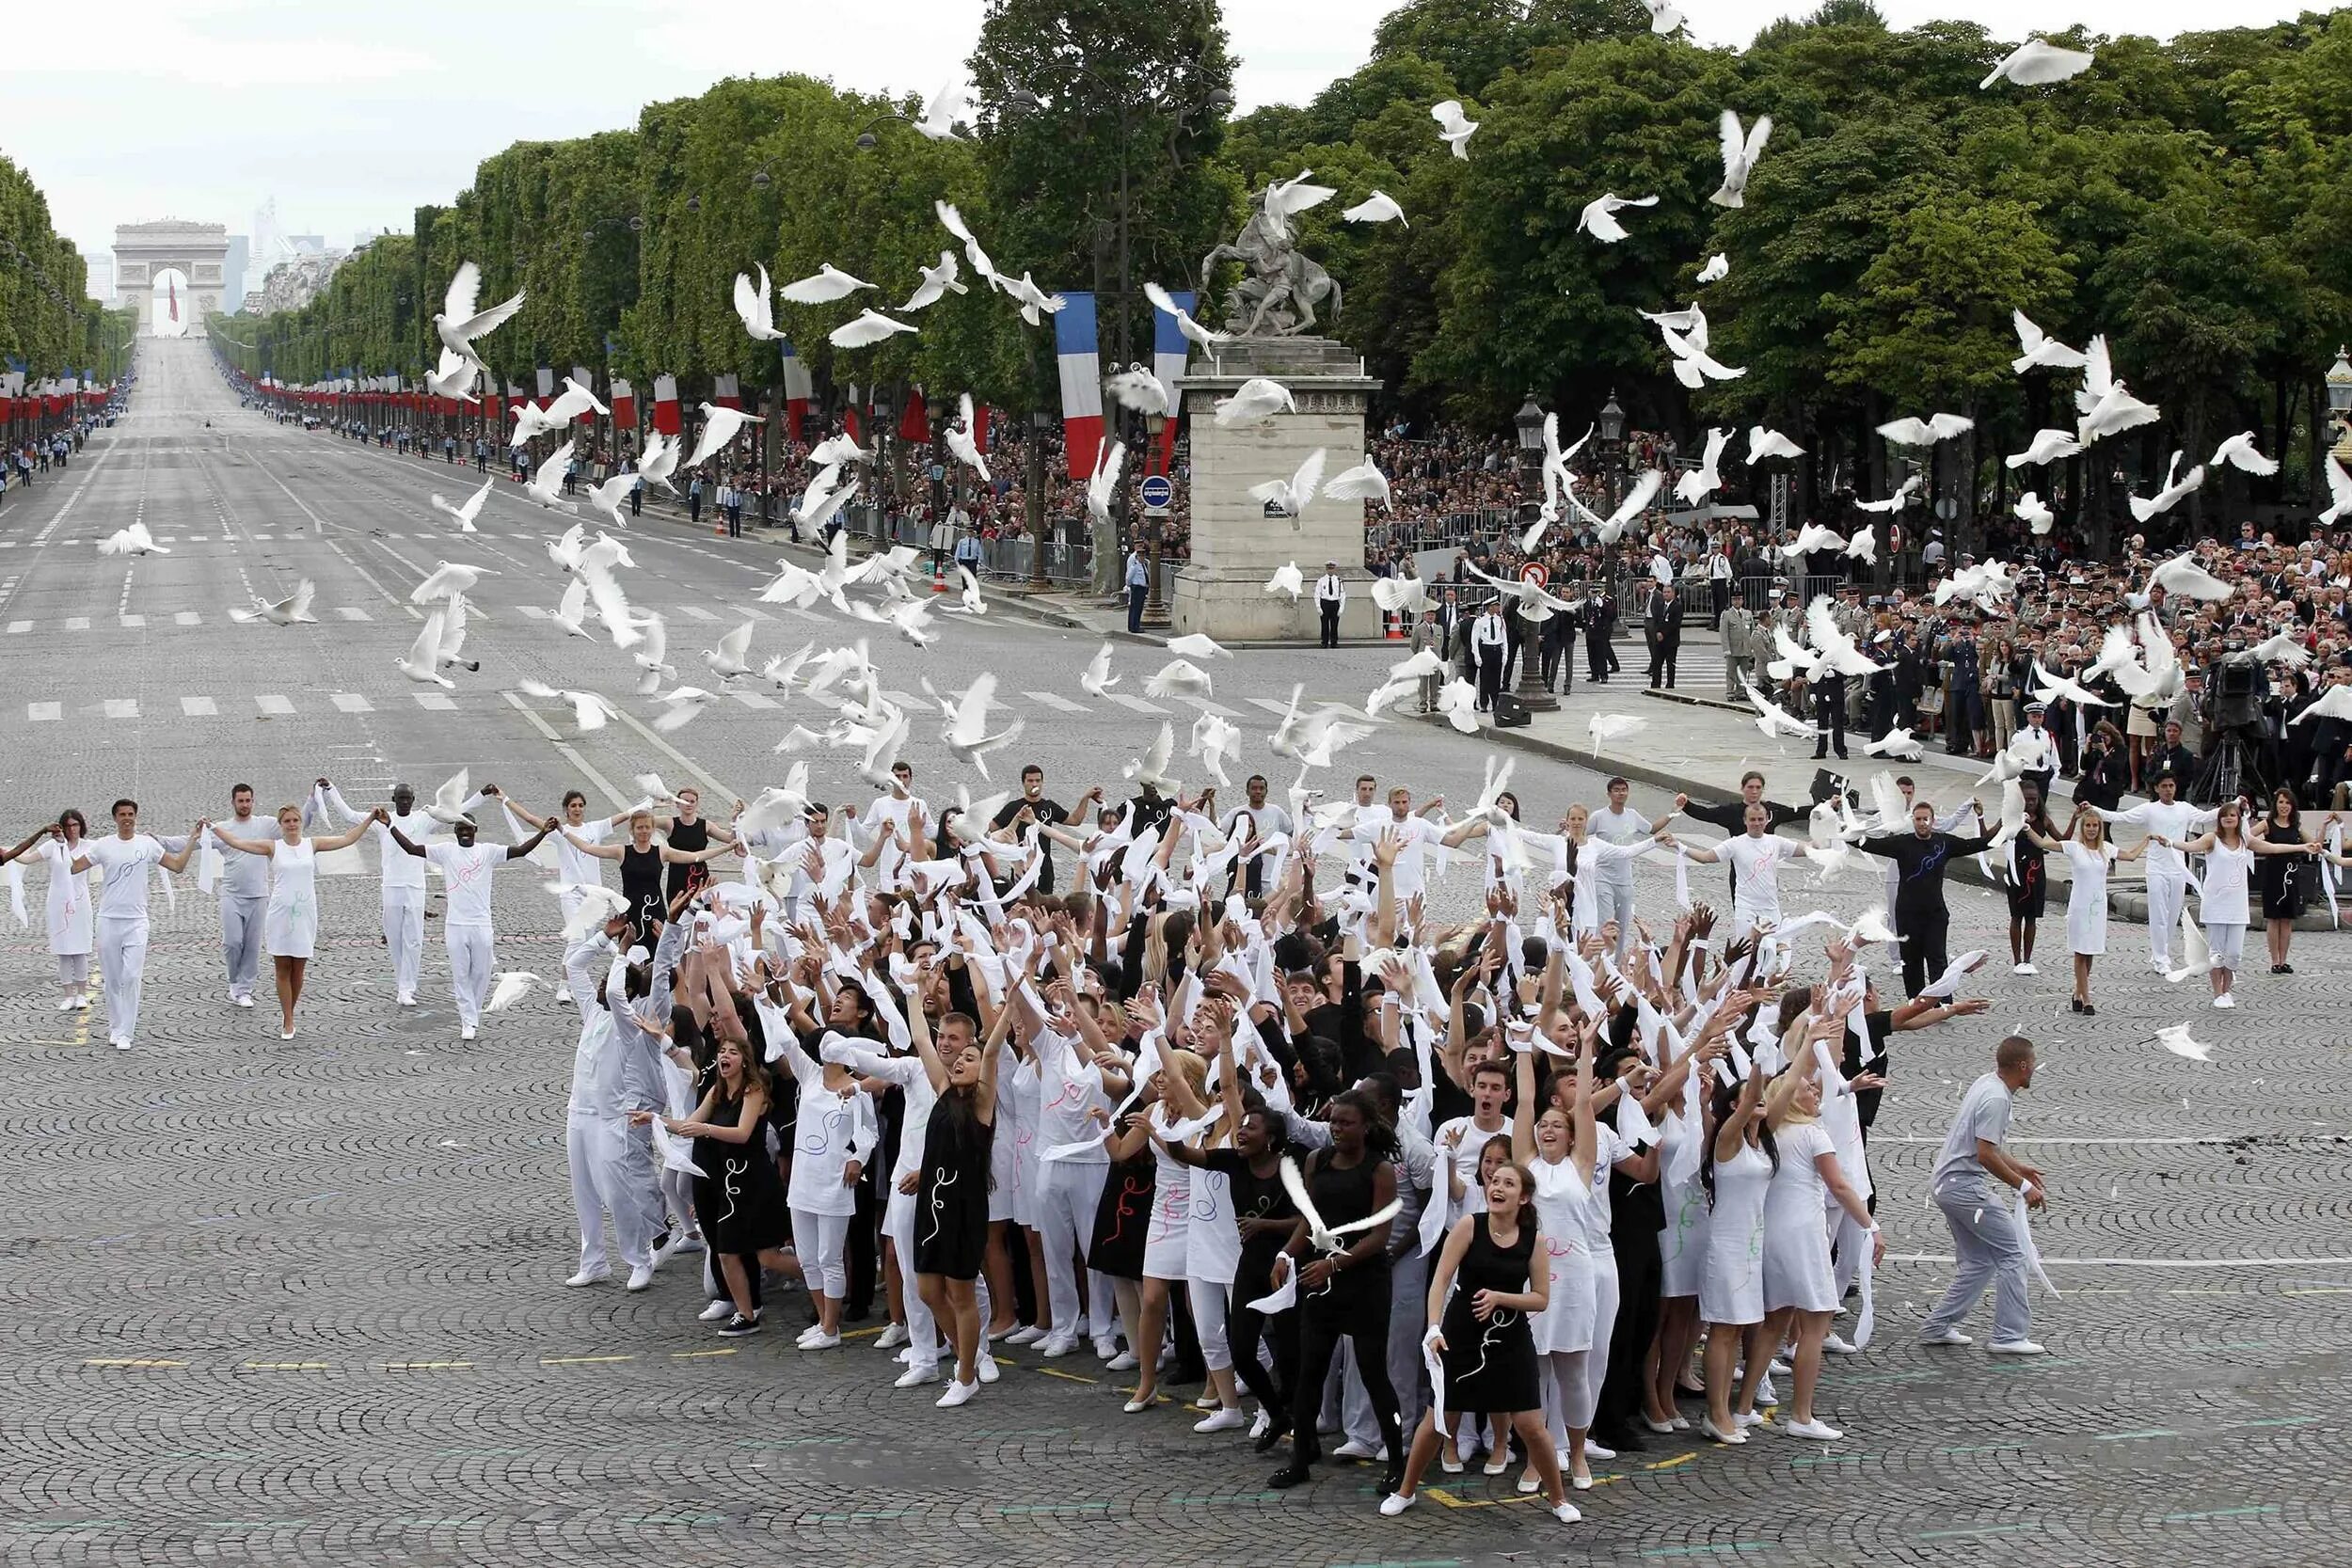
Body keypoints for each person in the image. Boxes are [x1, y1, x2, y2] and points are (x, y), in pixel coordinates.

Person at [1379, 1157, 1577, 1524]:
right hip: (1462, 1334)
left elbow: (1541, 1297)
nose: (1497, 1188)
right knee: (1439, 1419)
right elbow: (1440, 1280)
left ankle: (1558, 1499)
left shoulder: (1532, 1239)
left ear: (1524, 1198)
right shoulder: (1471, 1225)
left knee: (1531, 1424)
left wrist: (1502, 1298)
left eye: (1507, 1184)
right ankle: (1404, 1491)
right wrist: (1434, 1327)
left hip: (1511, 1337)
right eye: (1494, 1181)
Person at [1268, 1088, 1405, 1495]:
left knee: (1374, 1374)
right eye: (1334, 1122)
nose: (1338, 1129)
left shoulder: (1380, 1170)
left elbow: (1380, 1235)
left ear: (1365, 1126)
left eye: (1346, 1123)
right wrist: (1285, 1254)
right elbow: (1311, 1222)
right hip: (1321, 1281)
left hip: (1364, 1281)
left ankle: (1397, 1460)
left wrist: (1335, 1262)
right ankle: (1300, 1458)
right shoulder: (1316, 1161)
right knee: (1310, 1372)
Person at [1757, 1042, 1883, 1441]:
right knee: (1815, 1324)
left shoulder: (1771, 1132)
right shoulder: (1814, 1135)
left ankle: (1743, 1406)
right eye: (1810, 1089)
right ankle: (1802, 1414)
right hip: (1804, 1236)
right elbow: (1840, 1186)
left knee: (1774, 1320)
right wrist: (1871, 1226)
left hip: (1773, 1232)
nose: (1817, 1093)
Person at [312, 776, 490, 1006]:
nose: (405, 802)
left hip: (415, 887)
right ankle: (401, 984)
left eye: (408, 799)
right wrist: (330, 790)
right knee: (395, 939)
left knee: (414, 940)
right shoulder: (382, 820)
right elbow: (350, 815)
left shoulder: (424, 819)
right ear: (394, 799)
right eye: (401, 799)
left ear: (414, 800)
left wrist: (482, 795)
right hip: (391, 887)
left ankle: (408, 988)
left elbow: (456, 811)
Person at [1919, 1036, 2047, 1356]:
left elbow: (1987, 1145)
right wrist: (2023, 1186)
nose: (2034, 1071)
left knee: (1978, 1262)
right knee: (2014, 1252)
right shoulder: (1998, 1099)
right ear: (2022, 1066)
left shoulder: (1987, 1083)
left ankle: (1937, 1327)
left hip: (1946, 1184)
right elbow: (1985, 1154)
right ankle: (2009, 1335)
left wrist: (2019, 1167)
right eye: (2032, 1065)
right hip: (1964, 1188)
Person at [205, 803, 376, 1038]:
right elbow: (238, 843)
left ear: (300, 823)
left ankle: (290, 1013)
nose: (292, 825)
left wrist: (369, 820)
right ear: (281, 825)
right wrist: (213, 827)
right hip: (280, 913)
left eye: (295, 820)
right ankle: (288, 1018)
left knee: (299, 969)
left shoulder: (312, 844)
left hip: (305, 913)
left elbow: (347, 839)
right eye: (287, 821)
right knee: (282, 967)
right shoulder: (272, 847)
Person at [381, 812, 556, 1040]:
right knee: (461, 975)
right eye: (460, 829)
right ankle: (468, 1021)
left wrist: (543, 832)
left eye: (468, 828)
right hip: (455, 925)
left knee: (481, 973)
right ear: (454, 831)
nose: (464, 833)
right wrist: (391, 825)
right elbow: (412, 849)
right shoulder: (446, 851)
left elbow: (521, 851)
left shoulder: (488, 851)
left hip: (482, 924)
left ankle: (472, 1012)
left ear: (476, 829)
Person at [2153, 800, 2311, 1008]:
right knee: (2216, 952)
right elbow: (2191, 847)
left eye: (2233, 815)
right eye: (2224, 815)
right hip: (2216, 904)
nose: (2229, 818)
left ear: (2238, 819)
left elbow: (2272, 847)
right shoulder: (2212, 839)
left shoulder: (2246, 840)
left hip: (2237, 906)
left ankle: (2227, 990)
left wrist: (2303, 846)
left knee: (2234, 954)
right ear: (2220, 820)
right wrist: (2172, 843)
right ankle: (2218, 993)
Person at [72, 800, 201, 1051]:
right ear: (115, 818)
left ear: (136, 817)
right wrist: (61, 844)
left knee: (131, 976)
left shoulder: (147, 844)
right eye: (122, 815)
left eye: (131, 814)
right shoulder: (104, 845)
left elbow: (177, 866)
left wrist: (193, 839)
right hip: (109, 920)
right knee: (112, 979)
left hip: (137, 921)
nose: (127, 818)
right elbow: (75, 867)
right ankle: (116, 1026)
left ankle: (126, 1033)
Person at [1858, 800, 1994, 998]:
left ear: (1933, 820)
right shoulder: (1902, 843)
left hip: (1935, 914)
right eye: (1918, 819)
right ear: (1913, 820)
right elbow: (1869, 844)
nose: (1922, 823)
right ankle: (1916, 1003)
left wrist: (2008, 831)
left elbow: (1977, 844)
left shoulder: (1944, 842)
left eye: (1926, 819)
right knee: (1911, 962)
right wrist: (1842, 830)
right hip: (1907, 914)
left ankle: (1943, 1001)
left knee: (1937, 959)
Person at [2022, 805, 2143, 1016]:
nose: (2091, 829)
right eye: (2088, 825)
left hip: (2098, 907)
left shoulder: (2106, 848)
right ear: (2082, 827)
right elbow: (2042, 842)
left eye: (2095, 825)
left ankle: (2077, 992)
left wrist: (2148, 839)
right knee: (2080, 952)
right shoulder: (2074, 848)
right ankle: (2087, 998)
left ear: (2100, 828)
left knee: (2091, 952)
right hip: (2080, 906)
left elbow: (2132, 856)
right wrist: (2025, 828)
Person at [2107, 775, 2215, 974]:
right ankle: (2160, 958)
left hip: (2178, 869)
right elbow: (2120, 817)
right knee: (2159, 916)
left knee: (2173, 915)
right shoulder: (2149, 809)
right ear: (2156, 788)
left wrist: (2235, 804)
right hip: (2156, 869)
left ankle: (2161, 951)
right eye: (2164, 786)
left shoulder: (2184, 808)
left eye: (2171, 785)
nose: (2168, 790)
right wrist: (2093, 811)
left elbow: (2206, 817)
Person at [203, 784, 271, 1009]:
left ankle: (244, 990)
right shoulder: (223, 828)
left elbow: (297, 823)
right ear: (233, 802)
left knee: (252, 945)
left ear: (253, 801)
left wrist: (313, 800)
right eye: (240, 801)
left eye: (248, 800)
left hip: (259, 895)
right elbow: (193, 842)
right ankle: (234, 981)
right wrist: (158, 841)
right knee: (233, 943)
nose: (245, 805)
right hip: (231, 894)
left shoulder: (265, 825)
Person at [29, 810, 94, 1010]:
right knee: (64, 951)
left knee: (80, 950)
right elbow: (27, 858)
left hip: (80, 901)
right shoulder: (52, 846)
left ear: (81, 826)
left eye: (75, 825)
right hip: (57, 901)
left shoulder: (90, 846)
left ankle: (82, 994)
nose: (72, 829)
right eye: (68, 826)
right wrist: (8, 855)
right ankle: (68, 995)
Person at [2251, 787, 2313, 974]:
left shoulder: (2297, 826)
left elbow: (2314, 844)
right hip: (2273, 874)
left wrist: (2327, 827)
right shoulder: (2267, 824)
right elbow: (2247, 836)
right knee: (2273, 918)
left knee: (2286, 919)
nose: (2284, 806)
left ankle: (2284, 960)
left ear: (2292, 805)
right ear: (2275, 804)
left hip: (2291, 875)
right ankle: (2274, 961)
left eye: (2287, 802)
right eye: (2281, 802)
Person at [1469, 603, 1507, 711]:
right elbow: (1474, 639)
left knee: (1496, 679)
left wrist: (1505, 654)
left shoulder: (1500, 620)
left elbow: (1504, 637)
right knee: (1485, 678)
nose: (1498, 608)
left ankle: (1495, 703)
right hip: (1486, 649)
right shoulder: (1480, 620)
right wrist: (1476, 655)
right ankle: (1484, 703)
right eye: (1495, 606)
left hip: (1497, 650)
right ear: (1490, 607)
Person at [1645, 583, 1682, 689]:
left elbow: (1675, 623)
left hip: (1671, 641)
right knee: (1657, 664)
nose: (1665, 594)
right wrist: (1657, 632)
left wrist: (1663, 633)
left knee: (1670, 665)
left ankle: (1670, 685)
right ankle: (1655, 685)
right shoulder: (1660, 606)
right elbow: (1656, 621)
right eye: (1664, 592)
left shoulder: (1677, 606)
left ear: (1673, 593)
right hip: (1659, 640)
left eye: (1668, 592)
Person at [1314, 561, 1346, 648]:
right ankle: (1324, 642)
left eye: (1332, 568)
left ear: (1335, 569)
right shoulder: (1321, 580)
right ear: (1326, 569)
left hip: (1335, 603)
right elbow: (1317, 594)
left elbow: (1342, 595)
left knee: (1334, 624)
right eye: (1329, 568)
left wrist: (1341, 608)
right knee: (1324, 624)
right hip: (1325, 603)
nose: (1330, 570)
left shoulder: (1339, 580)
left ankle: (1334, 642)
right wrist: (1318, 607)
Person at [1125, 545, 1150, 633]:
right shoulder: (1135, 566)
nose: (1143, 558)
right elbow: (1129, 577)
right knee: (1135, 608)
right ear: (1138, 556)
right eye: (1141, 556)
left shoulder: (1143, 565)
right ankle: (1134, 627)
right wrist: (1130, 586)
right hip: (1137, 588)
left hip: (1142, 588)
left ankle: (1134, 625)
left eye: (1143, 556)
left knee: (1138, 608)